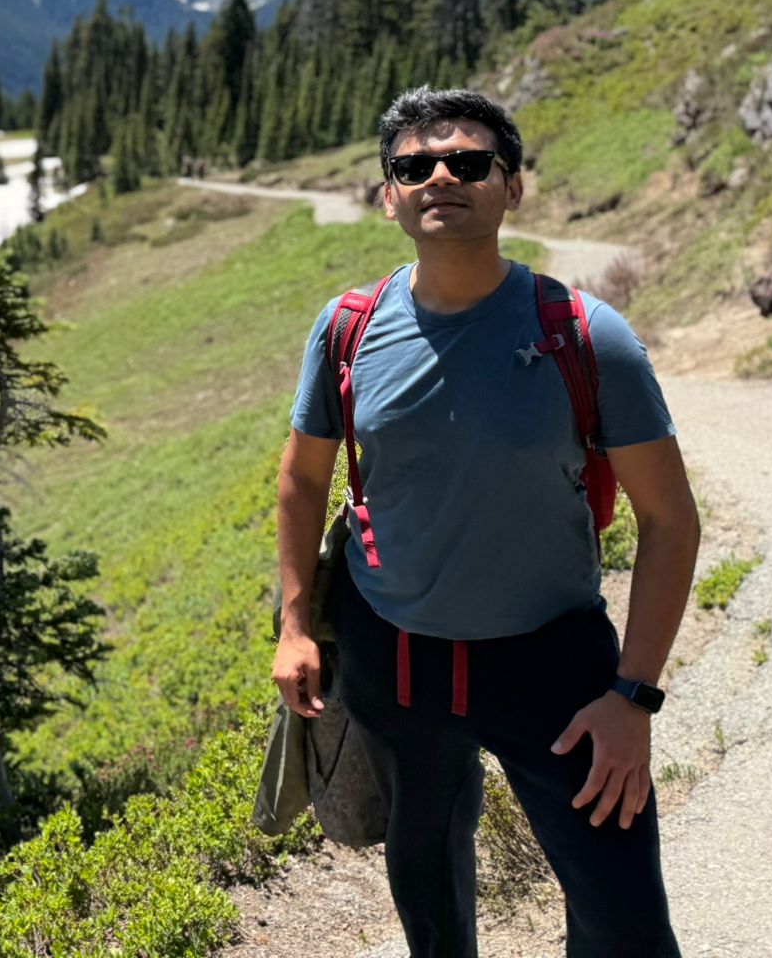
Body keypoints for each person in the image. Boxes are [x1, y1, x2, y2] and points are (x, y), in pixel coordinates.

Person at [271, 86, 700, 958]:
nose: (441, 178)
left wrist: (634, 698)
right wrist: (295, 625)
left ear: (513, 188)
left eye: (469, 162)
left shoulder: (586, 334)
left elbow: (671, 522)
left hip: (555, 668)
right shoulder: (347, 329)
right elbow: (302, 478)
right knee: (428, 887)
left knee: (625, 924)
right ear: (388, 196)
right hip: (395, 658)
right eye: (414, 167)